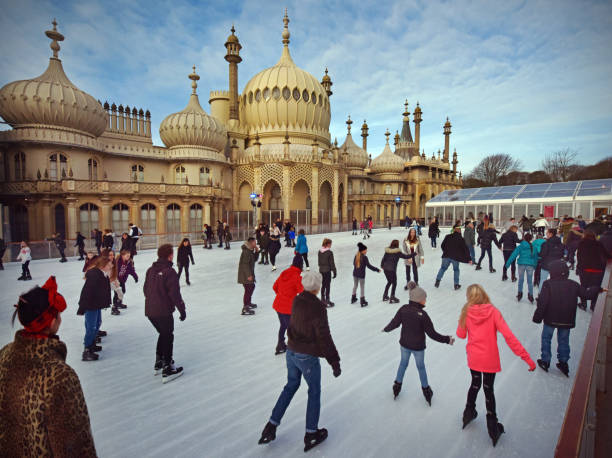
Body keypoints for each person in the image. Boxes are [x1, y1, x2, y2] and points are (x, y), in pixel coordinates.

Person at [0, 277, 97, 457]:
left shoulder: (4, 354)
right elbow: (74, 447)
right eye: (58, 313)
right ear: (52, 322)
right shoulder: (58, 375)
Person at [258, 271, 340, 452]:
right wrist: (334, 361)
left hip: (292, 352)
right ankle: (311, 434)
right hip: (306, 355)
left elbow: (292, 325)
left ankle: (270, 426)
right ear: (317, 288)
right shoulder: (318, 307)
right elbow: (324, 336)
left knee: (290, 386)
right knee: (314, 391)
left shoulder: (297, 300)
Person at [457, 284, 535, 447]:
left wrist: (463, 319)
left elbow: (461, 334)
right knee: (488, 389)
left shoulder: (467, 311)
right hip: (489, 358)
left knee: (475, 384)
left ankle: (468, 412)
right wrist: (526, 358)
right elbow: (509, 336)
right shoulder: (493, 312)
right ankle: (493, 426)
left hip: (474, 358)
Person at [383, 282, 455, 403]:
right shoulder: (423, 315)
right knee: (421, 367)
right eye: (424, 298)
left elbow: (394, 323)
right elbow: (432, 334)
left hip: (405, 345)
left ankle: (397, 385)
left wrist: (386, 329)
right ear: (418, 300)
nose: (425, 300)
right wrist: (447, 339)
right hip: (418, 348)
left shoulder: (403, 309)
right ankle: (426, 389)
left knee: (403, 364)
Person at [533, 260, 605, 376]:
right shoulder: (573, 284)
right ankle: (563, 362)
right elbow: (586, 294)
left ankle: (545, 360)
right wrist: (597, 289)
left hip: (550, 318)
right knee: (564, 340)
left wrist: (538, 317)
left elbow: (542, 302)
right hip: (566, 319)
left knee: (546, 338)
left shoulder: (548, 284)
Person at [143, 244, 186, 383]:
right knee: (168, 335)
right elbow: (174, 294)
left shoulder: (150, 270)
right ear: (170, 255)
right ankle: (168, 367)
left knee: (163, 333)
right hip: (163, 311)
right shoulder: (170, 271)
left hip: (150, 311)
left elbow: (145, 290)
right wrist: (182, 310)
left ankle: (159, 361)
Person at [77, 254, 112, 361]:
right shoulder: (95, 275)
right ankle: (87, 350)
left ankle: (91, 344)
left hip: (96, 304)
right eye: (110, 263)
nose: (112, 265)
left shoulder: (102, 274)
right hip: (90, 304)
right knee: (91, 327)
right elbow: (87, 291)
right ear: (104, 265)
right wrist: (82, 306)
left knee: (97, 323)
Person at [272, 255, 304, 355]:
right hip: (287, 308)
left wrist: (282, 295)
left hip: (278, 305)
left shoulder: (284, 273)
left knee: (284, 325)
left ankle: (280, 346)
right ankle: (293, 347)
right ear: (301, 265)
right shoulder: (296, 277)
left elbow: (275, 287)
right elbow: (302, 292)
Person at [577, 230, 609, 311]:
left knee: (583, 286)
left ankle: (583, 304)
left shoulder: (582, 244)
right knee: (596, 287)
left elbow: (579, 256)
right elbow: (606, 254)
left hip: (585, 269)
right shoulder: (599, 243)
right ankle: (593, 305)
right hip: (598, 270)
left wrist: (579, 267)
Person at [435, 225, 472, 290]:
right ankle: (456, 284)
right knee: (456, 270)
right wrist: (469, 259)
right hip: (455, 258)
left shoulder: (448, 236)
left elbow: (442, 245)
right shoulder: (461, 239)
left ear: (454, 230)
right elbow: (466, 249)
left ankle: (437, 280)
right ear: (459, 231)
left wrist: (445, 251)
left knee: (443, 268)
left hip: (446, 256)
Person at [505, 233, 539, 302]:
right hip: (530, 265)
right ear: (531, 239)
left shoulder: (521, 246)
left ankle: (520, 293)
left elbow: (513, 255)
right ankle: (531, 295)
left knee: (521, 280)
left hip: (521, 264)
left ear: (524, 238)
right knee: (529, 281)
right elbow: (535, 258)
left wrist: (507, 264)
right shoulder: (534, 247)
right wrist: (535, 266)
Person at [352, 242, 381, 306]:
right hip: (361, 275)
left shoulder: (356, 256)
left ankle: (353, 298)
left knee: (355, 285)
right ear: (363, 250)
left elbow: (353, 264)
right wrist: (377, 269)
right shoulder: (364, 257)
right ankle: (362, 301)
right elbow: (369, 266)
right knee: (362, 287)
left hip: (355, 274)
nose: (366, 251)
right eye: (365, 250)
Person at [238, 237, 260, 315]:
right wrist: (248, 275)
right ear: (251, 243)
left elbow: (254, 260)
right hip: (245, 274)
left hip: (248, 273)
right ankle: (245, 308)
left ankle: (248, 303)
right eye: (254, 242)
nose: (256, 244)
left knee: (251, 287)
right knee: (248, 288)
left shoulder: (250, 250)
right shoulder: (246, 251)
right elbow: (245, 264)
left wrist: (257, 252)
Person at [318, 238, 337, 307]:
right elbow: (332, 263)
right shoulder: (329, 252)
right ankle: (327, 300)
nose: (331, 245)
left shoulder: (320, 251)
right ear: (328, 244)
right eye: (330, 244)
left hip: (321, 270)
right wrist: (334, 271)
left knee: (323, 285)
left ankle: (322, 299)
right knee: (327, 285)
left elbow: (319, 262)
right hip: (327, 271)